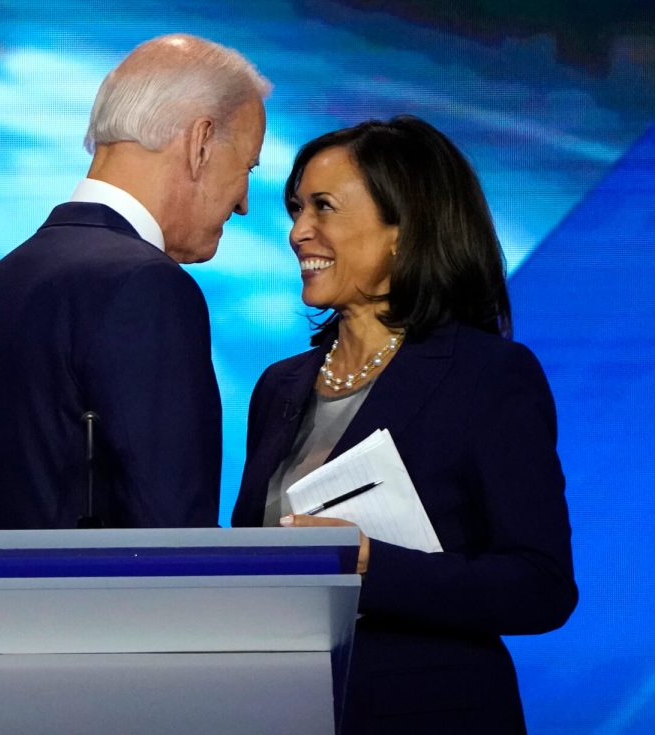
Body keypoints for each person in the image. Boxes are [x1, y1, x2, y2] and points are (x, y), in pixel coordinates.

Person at [232, 116, 577, 733]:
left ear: (403, 229)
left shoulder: (488, 376)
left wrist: (368, 564)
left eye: (323, 208)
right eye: (295, 209)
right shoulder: (278, 386)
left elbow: (541, 585)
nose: (297, 232)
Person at [0, 35, 270, 530]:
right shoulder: (146, 287)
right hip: (102, 607)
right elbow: (175, 539)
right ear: (200, 143)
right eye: (247, 167)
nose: (242, 202)